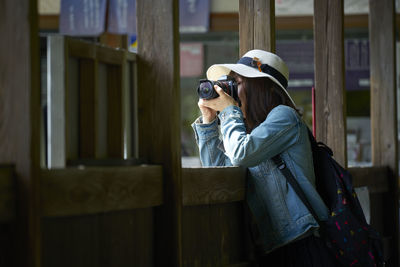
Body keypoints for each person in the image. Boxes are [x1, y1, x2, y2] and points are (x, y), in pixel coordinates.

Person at [191, 49, 339, 267]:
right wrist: (208, 122)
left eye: (238, 82)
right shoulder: (248, 133)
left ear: (260, 86)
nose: (230, 91)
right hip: (270, 247)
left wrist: (230, 111)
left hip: (301, 243)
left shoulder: (284, 117)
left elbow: (242, 154)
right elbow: (217, 169)